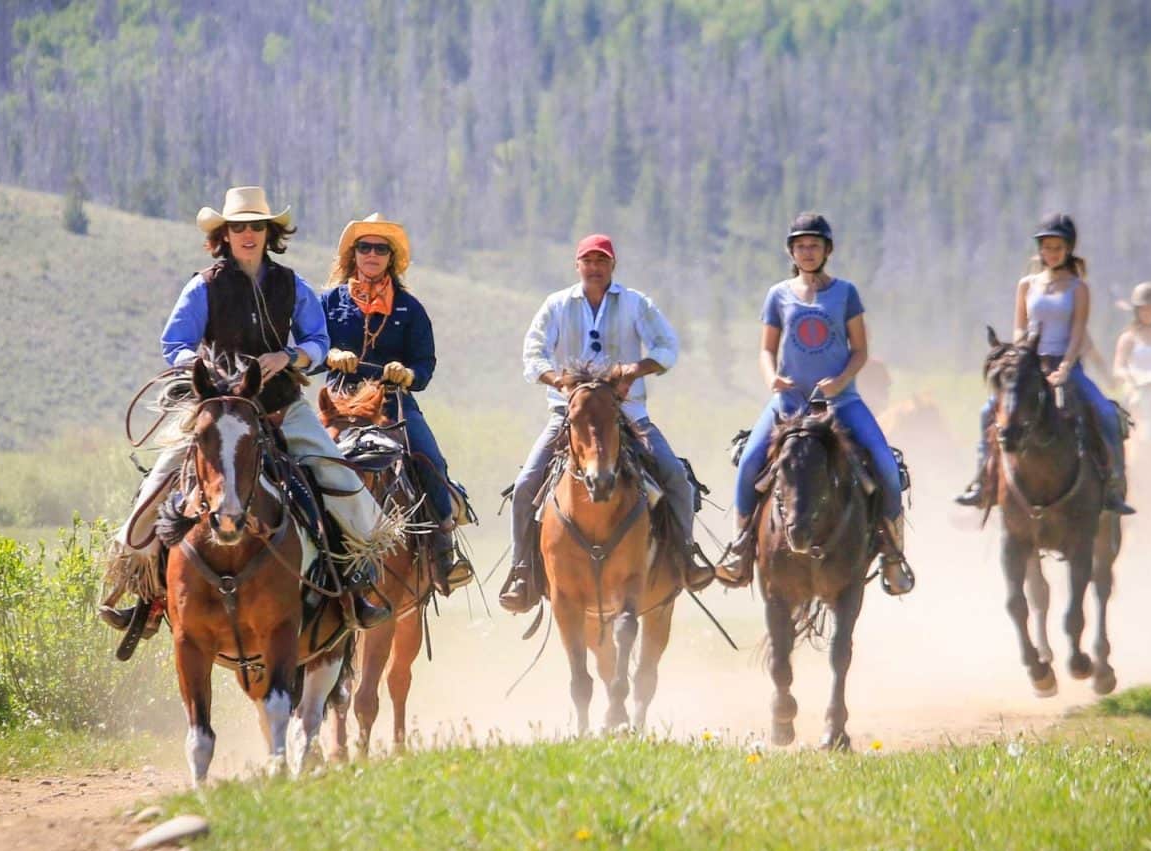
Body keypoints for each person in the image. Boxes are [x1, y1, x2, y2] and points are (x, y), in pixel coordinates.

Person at [99, 186, 393, 638]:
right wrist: (203, 368)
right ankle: (147, 594)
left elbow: (318, 343)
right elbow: (174, 344)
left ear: (269, 232)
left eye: (257, 226)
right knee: (157, 486)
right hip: (218, 413)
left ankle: (354, 588)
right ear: (225, 235)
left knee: (340, 480)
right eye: (239, 227)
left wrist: (290, 358)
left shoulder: (292, 285)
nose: (248, 234)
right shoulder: (203, 286)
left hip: (280, 407)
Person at [498, 234, 716, 613]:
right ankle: (522, 572)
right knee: (524, 487)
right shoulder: (557, 305)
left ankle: (685, 555)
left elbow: (667, 346)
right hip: (569, 415)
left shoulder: (635, 303)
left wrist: (637, 367)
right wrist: (558, 380)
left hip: (629, 414)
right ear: (577, 265)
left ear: (612, 266)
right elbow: (532, 353)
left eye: (602, 261)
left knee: (675, 479)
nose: (594, 267)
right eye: (588, 260)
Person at [713, 212, 914, 592]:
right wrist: (771, 377)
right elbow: (765, 350)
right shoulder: (778, 295)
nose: (807, 252)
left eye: (814, 245)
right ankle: (741, 548)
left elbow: (860, 350)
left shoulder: (845, 293)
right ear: (791, 251)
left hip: (841, 403)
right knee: (750, 464)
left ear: (827, 250)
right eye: (801, 246)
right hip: (788, 403)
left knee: (886, 465)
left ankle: (892, 554)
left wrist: (839, 381)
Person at [322, 213, 473, 593]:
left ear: (391, 257)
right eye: (364, 247)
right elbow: (308, 346)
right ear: (352, 254)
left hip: (394, 405)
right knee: (301, 460)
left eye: (380, 248)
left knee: (430, 460)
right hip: (340, 404)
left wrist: (406, 374)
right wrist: (331, 355)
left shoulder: (410, 308)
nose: (371, 253)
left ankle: (443, 553)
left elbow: (425, 364)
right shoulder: (328, 302)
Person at [954, 212, 1135, 514]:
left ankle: (1113, 484)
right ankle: (983, 481)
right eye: (1046, 247)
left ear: (1068, 249)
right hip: (1031, 365)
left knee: (1104, 412)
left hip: (1066, 364)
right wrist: (1022, 358)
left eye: (1057, 247)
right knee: (989, 411)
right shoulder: (1027, 284)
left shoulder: (1078, 288)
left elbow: (1078, 331)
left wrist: (1065, 367)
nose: (1051, 253)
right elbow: (1018, 329)